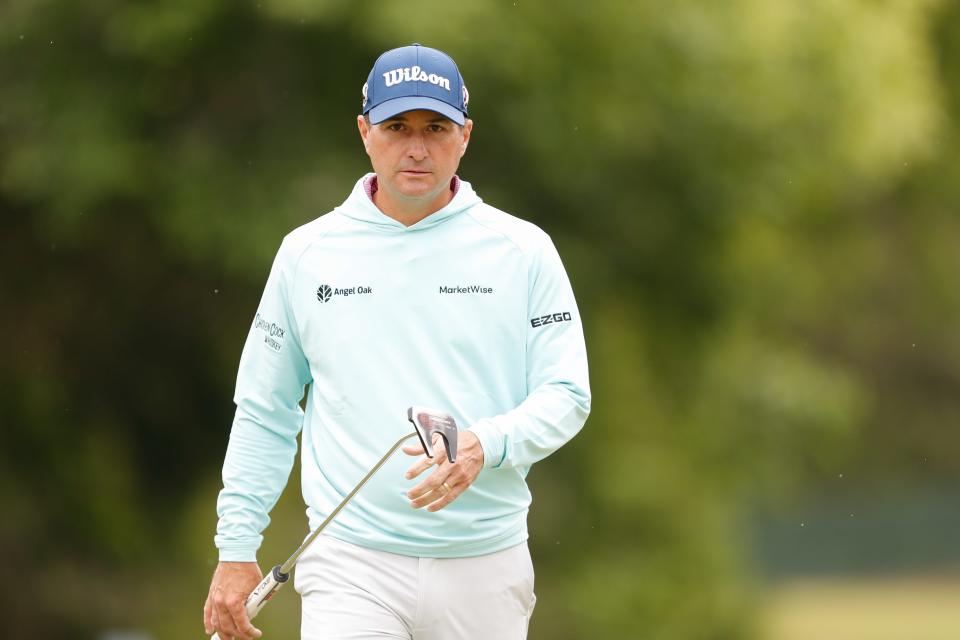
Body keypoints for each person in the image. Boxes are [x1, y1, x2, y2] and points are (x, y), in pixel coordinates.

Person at [203, 43, 591, 640]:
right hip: (350, 563)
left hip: (485, 562)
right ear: (365, 132)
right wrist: (236, 546)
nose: (416, 146)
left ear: (465, 135)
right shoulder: (307, 254)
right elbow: (266, 409)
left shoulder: (524, 251)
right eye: (397, 127)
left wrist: (484, 445)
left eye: (435, 127)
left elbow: (567, 394)